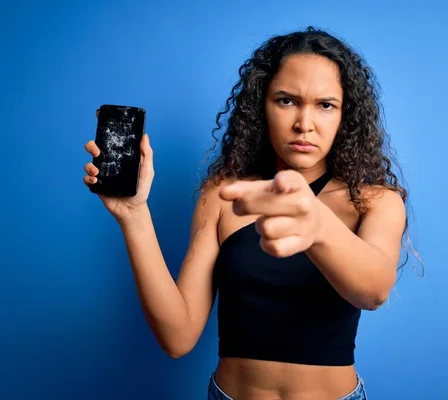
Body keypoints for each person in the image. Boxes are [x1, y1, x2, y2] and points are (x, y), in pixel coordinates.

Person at [83, 26, 416, 400]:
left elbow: (372, 291)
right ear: (262, 105)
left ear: (345, 115)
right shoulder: (225, 195)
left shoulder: (375, 201)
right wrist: (134, 216)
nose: (304, 123)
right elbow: (177, 337)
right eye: (286, 100)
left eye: (325, 105)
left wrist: (317, 224)